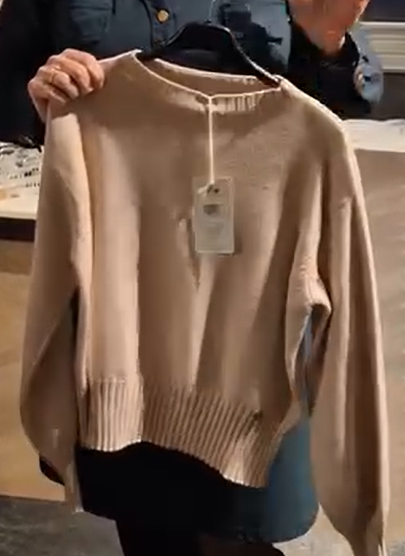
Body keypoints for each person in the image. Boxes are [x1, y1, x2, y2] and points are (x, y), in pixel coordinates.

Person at [0, 1, 383, 555]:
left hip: (253, 349)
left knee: (248, 534)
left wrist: (326, 42)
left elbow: (340, 103)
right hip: (128, 341)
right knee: (149, 532)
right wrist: (41, 99)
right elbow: (7, 87)